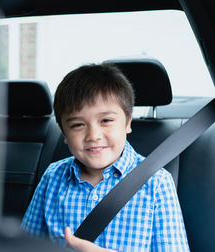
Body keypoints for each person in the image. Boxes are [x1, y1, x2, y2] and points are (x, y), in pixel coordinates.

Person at [21, 63, 189, 251]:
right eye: (78, 125)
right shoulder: (52, 178)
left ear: (127, 122)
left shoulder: (156, 183)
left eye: (106, 121)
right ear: (64, 133)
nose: (93, 135)